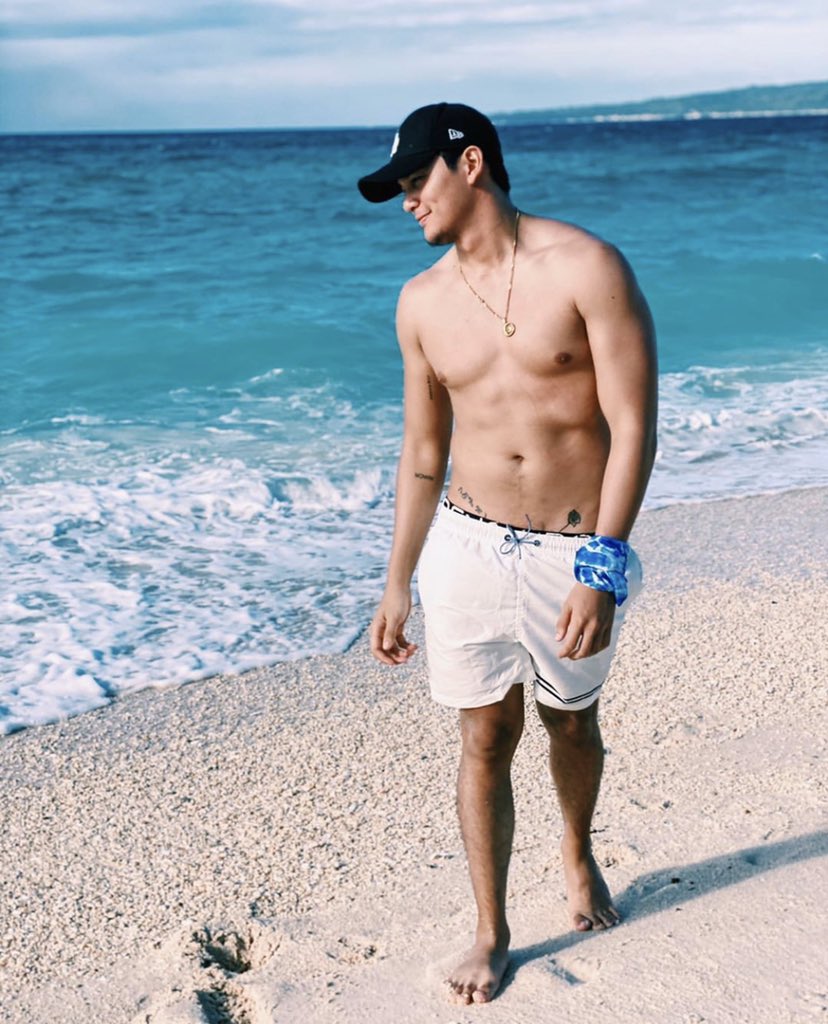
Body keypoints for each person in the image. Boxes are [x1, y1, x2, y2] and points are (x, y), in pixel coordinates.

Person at [357, 102, 657, 1006]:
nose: (409, 202)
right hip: (469, 541)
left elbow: (634, 426)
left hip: (574, 546)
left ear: (471, 164)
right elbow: (422, 453)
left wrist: (602, 567)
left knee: (571, 721)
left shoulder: (588, 267)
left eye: (417, 181)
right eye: (400, 190)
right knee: (484, 734)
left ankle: (576, 850)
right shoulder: (420, 303)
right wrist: (396, 581)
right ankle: (490, 930)